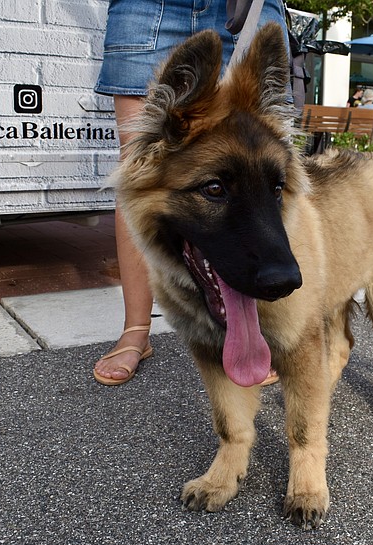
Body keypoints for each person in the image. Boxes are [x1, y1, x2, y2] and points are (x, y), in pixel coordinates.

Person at [92, 0, 289, 385]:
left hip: (247, 5)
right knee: (141, 171)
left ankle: (253, 333)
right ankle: (136, 329)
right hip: (149, 7)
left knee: (259, 165)